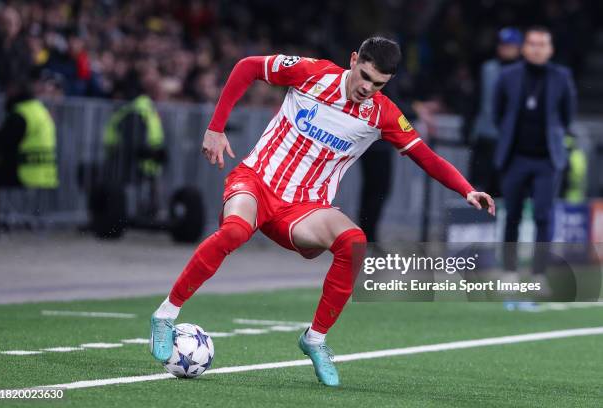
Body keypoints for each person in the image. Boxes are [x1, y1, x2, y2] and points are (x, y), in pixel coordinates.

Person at [150, 37, 495, 386]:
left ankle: (315, 339)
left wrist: (467, 189)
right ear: (353, 59)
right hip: (256, 182)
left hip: (305, 207)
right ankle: (166, 315)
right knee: (236, 230)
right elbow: (247, 67)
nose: (366, 87)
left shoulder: (383, 114)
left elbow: (426, 156)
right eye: (364, 76)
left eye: (378, 84)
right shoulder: (312, 74)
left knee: (353, 243)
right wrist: (215, 127)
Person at [494, 26, 577, 282]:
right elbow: (498, 112)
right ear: (524, 47)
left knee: (543, 215)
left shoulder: (561, 76)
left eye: (542, 44)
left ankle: (539, 274)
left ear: (550, 49)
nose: (537, 49)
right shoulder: (508, 75)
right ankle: (509, 271)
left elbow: (567, 114)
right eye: (532, 44)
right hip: (515, 156)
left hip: (547, 159)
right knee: (512, 215)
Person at [0, 83, 58, 238]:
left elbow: (3, 142)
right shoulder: (39, 110)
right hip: (46, 172)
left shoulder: (21, 114)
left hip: (27, 172)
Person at [470, 27, 522, 196]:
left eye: (510, 45)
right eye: (502, 44)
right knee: (479, 186)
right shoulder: (487, 68)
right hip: (485, 137)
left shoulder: (525, 72)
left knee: (508, 188)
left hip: (513, 140)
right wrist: (469, 127)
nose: (505, 48)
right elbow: (475, 99)